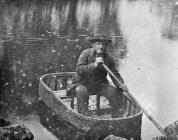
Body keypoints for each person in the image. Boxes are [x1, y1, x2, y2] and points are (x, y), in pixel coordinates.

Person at [66, 34, 128, 117]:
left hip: (99, 85)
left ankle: (117, 117)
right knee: (82, 91)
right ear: (93, 45)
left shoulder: (109, 59)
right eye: (98, 44)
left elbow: (115, 75)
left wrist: (120, 85)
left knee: (113, 92)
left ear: (106, 46)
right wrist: (94, 64)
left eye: (104, 44)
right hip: (81, 84)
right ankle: (84, 116)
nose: (101, 47)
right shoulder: (86, 54)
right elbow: (79, 70)